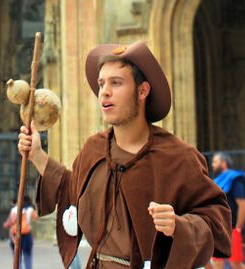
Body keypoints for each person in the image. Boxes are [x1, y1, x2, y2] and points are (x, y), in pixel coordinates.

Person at [18, 41, 232, 268]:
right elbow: (72, 189)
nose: (104, 92)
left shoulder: (179, 157)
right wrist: (37, 155)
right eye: (101, 84)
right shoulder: (94, 149)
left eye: (116, 83)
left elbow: (217, 221)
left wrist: (178, 225)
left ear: (143, 91)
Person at [207, 152, 245, 269]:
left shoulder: (235, 180)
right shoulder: (216, 181)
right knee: (217, 262)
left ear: (223, 164)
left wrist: (238, 228)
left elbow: (242, 204)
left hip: (233, 228)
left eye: (215, 162)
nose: (212, 165)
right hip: (220, 228)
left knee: (235, 263)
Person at [3, 195, 38, 269]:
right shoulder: (30, 209)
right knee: (27, 257)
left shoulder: (14, 209)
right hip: (27, 235)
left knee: (17, 258)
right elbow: (36, 217)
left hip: (16, 235)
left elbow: (8, 223)